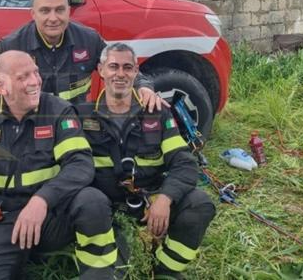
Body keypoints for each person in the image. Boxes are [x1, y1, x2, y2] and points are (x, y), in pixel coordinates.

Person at [0, 50, 118, 279]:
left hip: (53, 216)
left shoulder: (58, 110)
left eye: (35, 73)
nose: (34, 81)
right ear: (2, 87)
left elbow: (80, 164)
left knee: (92, 201)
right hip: (5, 219)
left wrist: (42, 200)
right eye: (22, 77)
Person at [79, 43, 215, 279]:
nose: (120, 74)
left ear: (135, 72)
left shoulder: (157, 113)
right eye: (113, 67)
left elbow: (184, 163)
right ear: (101, 70)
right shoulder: (81, 116)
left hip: (149, 202)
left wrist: (164, 198)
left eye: (127, 67)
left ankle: (166, 270)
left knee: (199, 203)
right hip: (105, 211)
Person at [0, 0, 165, 119]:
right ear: (33, 14)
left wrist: (144, 88)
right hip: (33, 125)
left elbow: (124, 68)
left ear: (68, 11)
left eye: (59, 10)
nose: (53, 18)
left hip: (78, 123)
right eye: (45, 11)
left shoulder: (88, 40)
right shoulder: (14, 45)